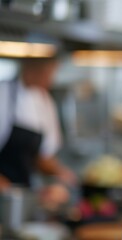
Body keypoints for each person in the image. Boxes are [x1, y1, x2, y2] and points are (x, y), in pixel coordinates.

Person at [0, 56, 76, 211]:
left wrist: (61, 174)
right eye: (49, 73)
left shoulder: (46, 101)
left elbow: (44, 156)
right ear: (31, 69)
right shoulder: (3, 93)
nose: (51, 79)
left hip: (22, 194)